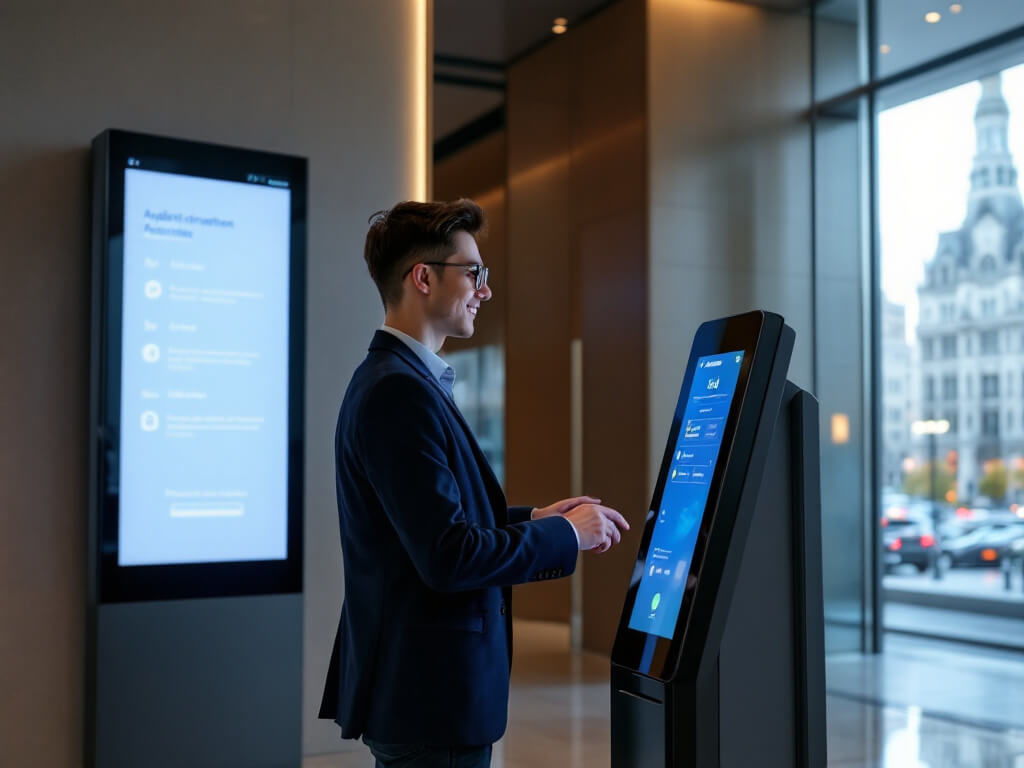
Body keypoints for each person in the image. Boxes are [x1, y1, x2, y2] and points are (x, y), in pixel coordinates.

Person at [319, 199, 629, 767]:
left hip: (421, 694)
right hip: (430, 698)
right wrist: (567, 535)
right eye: (474, 272)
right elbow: (448, 554)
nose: (485, 290)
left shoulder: (401, 381)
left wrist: (535, 519)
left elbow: (429, 524)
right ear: (423, 278)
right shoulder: (398, 391)